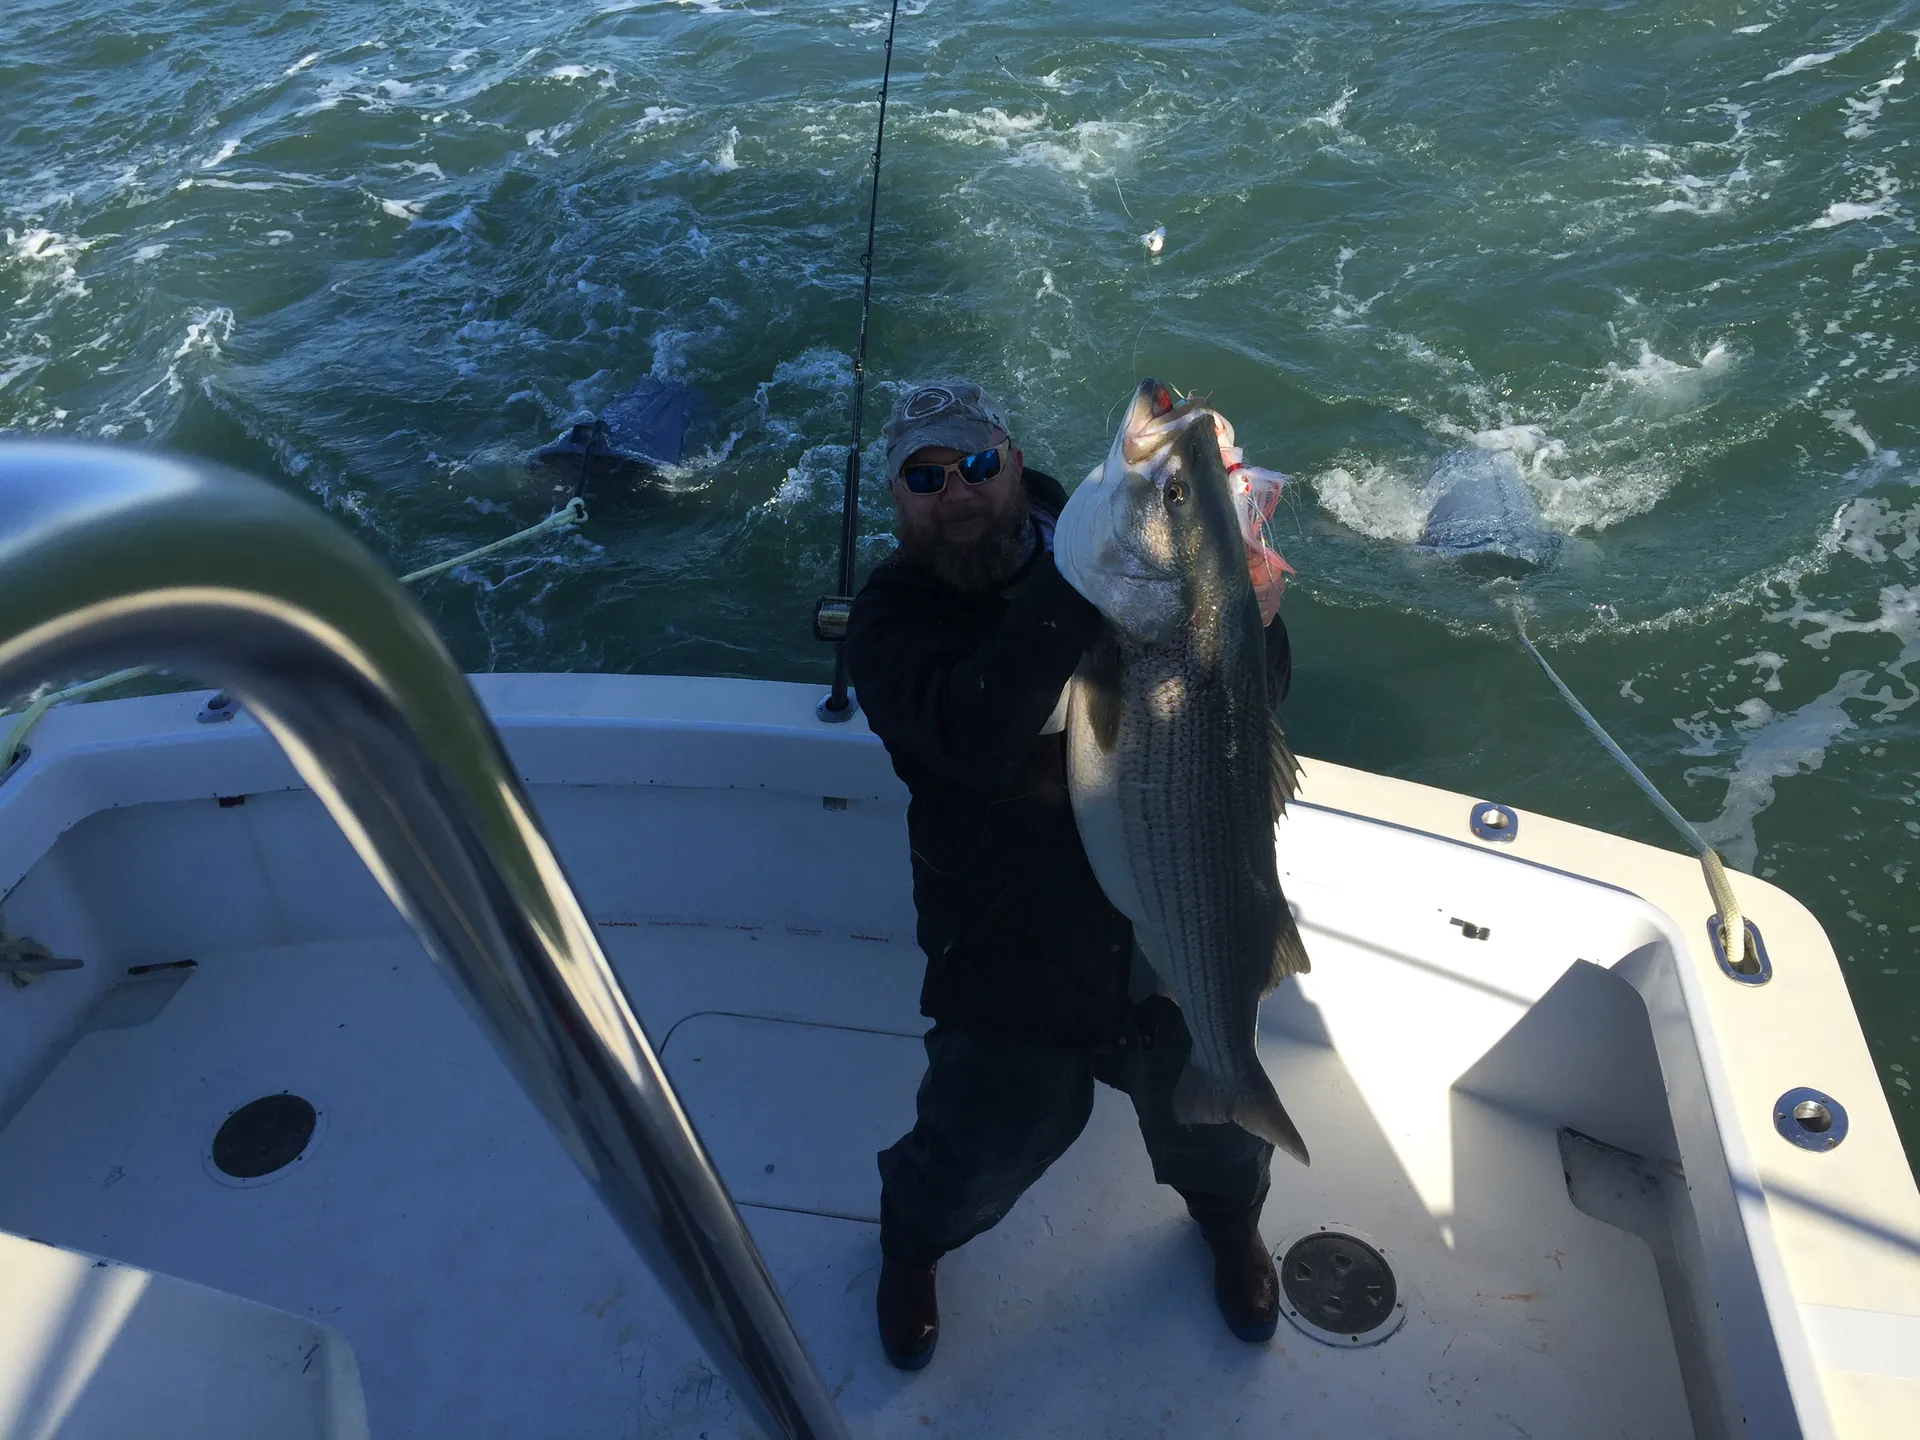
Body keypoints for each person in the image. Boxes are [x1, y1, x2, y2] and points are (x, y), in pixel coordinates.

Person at [844, 380, 1295, 1372]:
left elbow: (1252, 703)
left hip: (1164, 918)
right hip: (1011, 942)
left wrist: (1249, 598)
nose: (956, 492)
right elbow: (977, 733)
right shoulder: (889, 625)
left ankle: (1229, 1227)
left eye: (976, 464)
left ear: (1012, 460)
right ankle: (911, 1244)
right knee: (984, 1145)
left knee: (1216, 1134)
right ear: (896, 497)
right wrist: (1095, 574)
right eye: (926, 477)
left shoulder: (1111, 547)